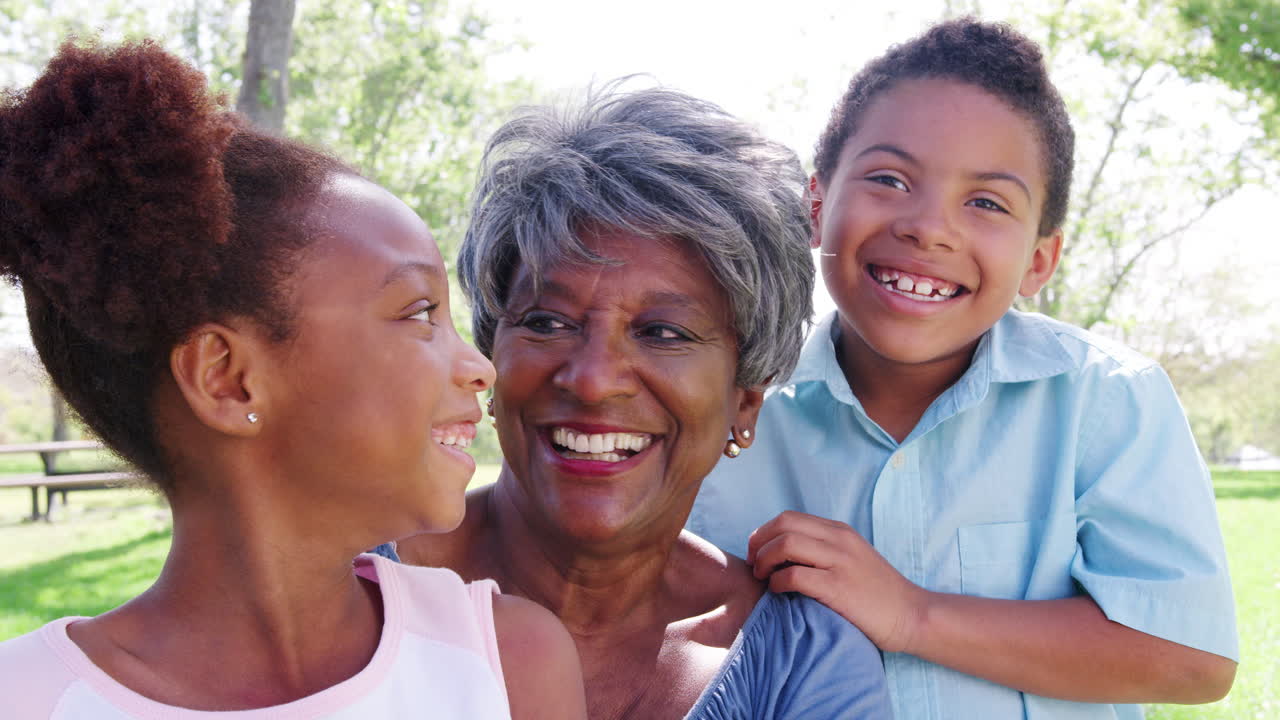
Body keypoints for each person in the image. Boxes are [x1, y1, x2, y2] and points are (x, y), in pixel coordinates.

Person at [0, 39, 585, 719]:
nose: (479, 367)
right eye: (419, 312)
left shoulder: (509, 664)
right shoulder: (27, 700)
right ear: (228, 380)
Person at [687, 17, 1238, 719]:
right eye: (889, 178)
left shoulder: (1105, 400)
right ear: (817, 205)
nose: (929, 227)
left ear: (1040, 260)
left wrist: (911, 613)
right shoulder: (728, 404)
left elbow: (1190, 658)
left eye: (986, 202)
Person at [395, 85, 893, 719]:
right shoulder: (340, 584)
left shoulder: (803, 663)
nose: (595, 380)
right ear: (494, 358)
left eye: (664, 332)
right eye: (547, 322)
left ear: (745, 404)